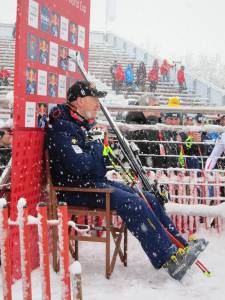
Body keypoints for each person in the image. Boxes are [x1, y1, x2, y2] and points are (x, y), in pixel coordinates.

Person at [46, 80, 207, 281]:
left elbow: (97, 167)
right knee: (134, 204)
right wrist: (97, 147)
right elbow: (80, 166)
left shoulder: (80, 123)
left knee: (147, 196)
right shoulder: (62, 127)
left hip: (91, 182)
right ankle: (168, 257)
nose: (98, 104)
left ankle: (179, 246)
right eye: (94, 99)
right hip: (73, 190)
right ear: (79, 101)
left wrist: (96, 150)